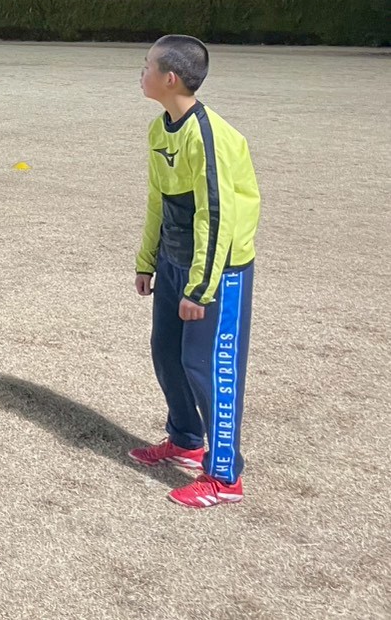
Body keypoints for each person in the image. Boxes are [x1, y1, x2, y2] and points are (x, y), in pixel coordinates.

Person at [130, 34, 260, 509]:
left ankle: (224, 476)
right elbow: (158, 200)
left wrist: (201, 288)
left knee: (206, 366)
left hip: (217, 271)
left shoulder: (210, 137)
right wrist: (148, 260)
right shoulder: (159, 129)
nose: (140, 71)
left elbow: (216, 214)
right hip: (173, 260)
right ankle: (185, 439)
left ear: (170, 78)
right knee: (166, 352)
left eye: (147, 65)